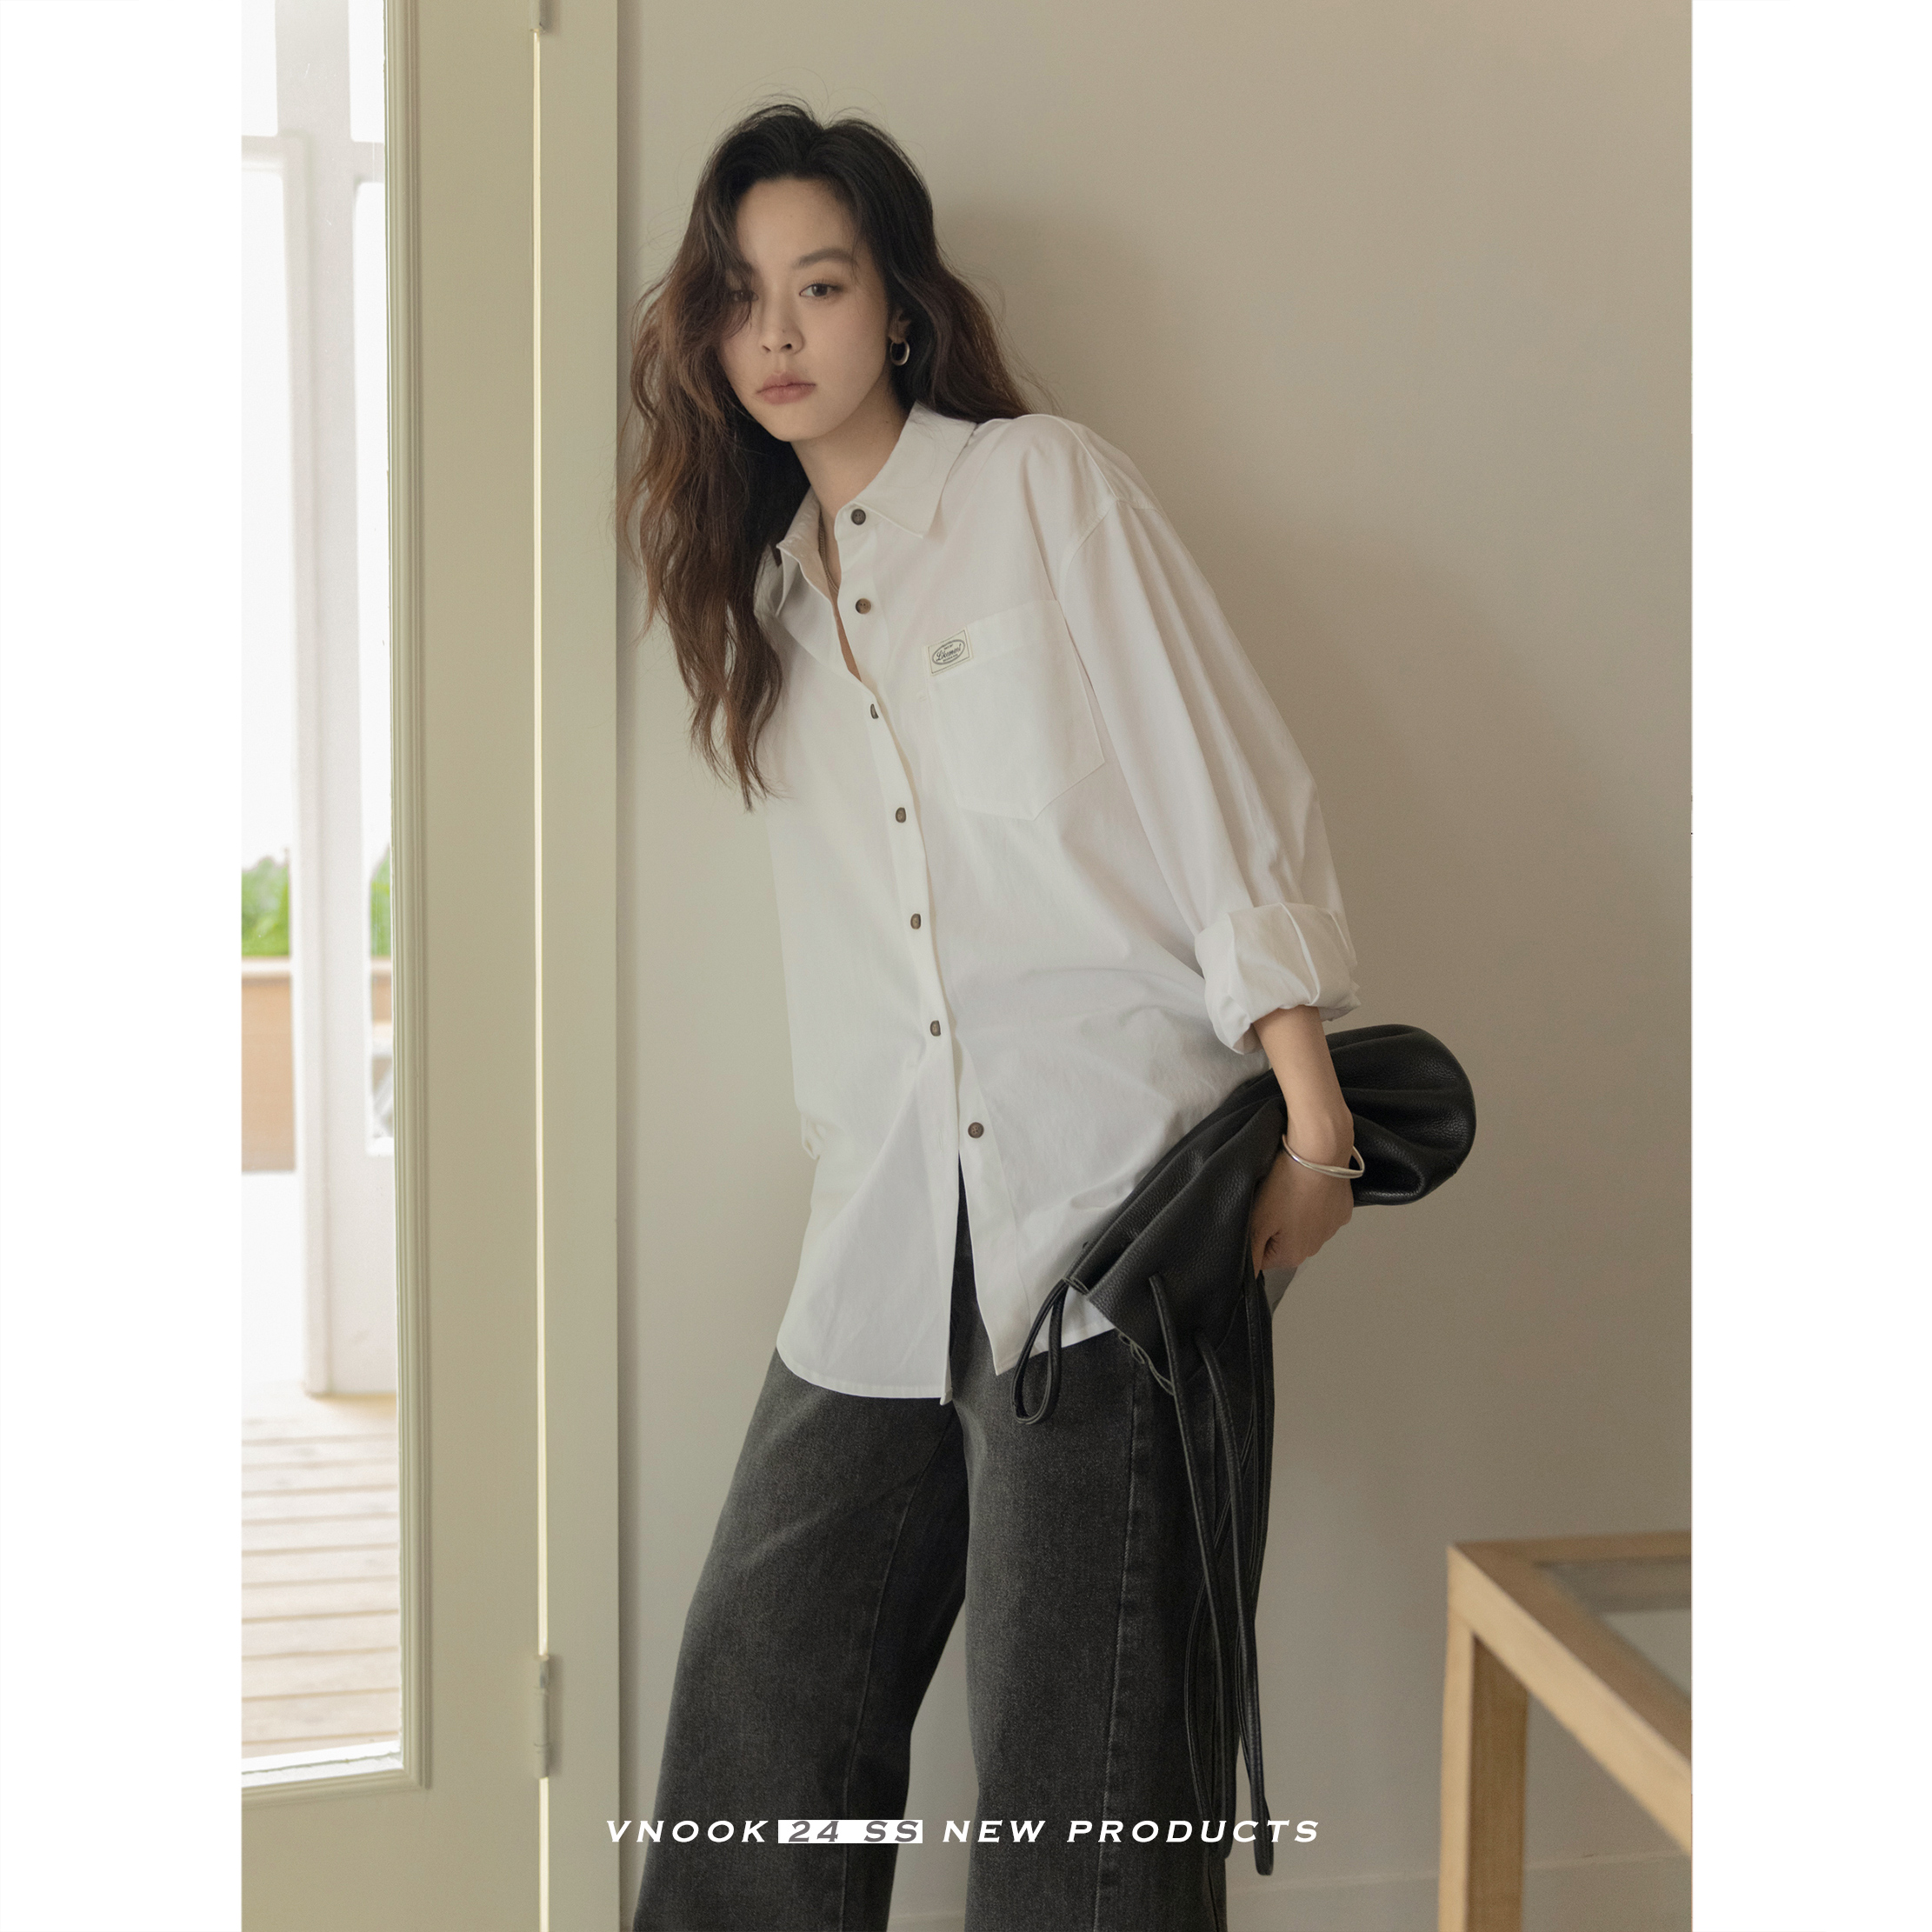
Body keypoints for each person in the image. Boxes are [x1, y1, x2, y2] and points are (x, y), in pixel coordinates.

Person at [618, 98, 1362, 1932]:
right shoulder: (772, 611)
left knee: (1078, 1782)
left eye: (819, 285)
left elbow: (1215, 782)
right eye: (740, 296)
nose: (779, 332)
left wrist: (1315, 1118)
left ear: (898, 307)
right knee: (758, 1702)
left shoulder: (1041, 490)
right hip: (888, 1228)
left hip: (1109, 1218)